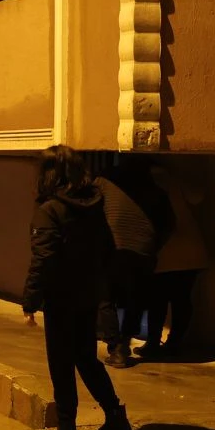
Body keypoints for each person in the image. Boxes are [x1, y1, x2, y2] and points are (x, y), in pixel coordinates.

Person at [23, 146, 133, 430]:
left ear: (47, 174)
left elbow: (43, 257)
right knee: (85, 358)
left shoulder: (50, 209)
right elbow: (108, 247)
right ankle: (115, 419)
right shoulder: (93, 204)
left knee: (61, 362)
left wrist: (31, 299)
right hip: (88, 294)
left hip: (61, 296)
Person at [95, 158, 172, 368]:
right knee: (135, 301)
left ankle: (114, 346)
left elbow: (91, 211)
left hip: (113, 248)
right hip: (143, 251)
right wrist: (153, 246)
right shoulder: (156, 191)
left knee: (105, 298)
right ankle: (123, 346)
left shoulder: (103, 182)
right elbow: (169, 224)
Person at [144, 164, 210, 356]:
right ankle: (174, 342)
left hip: (162, 251)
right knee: (181, 299)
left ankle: (153, 342)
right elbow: (198, 197)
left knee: (157, 300)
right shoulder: (175, 180)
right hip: (188, 252)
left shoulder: (148, 184)